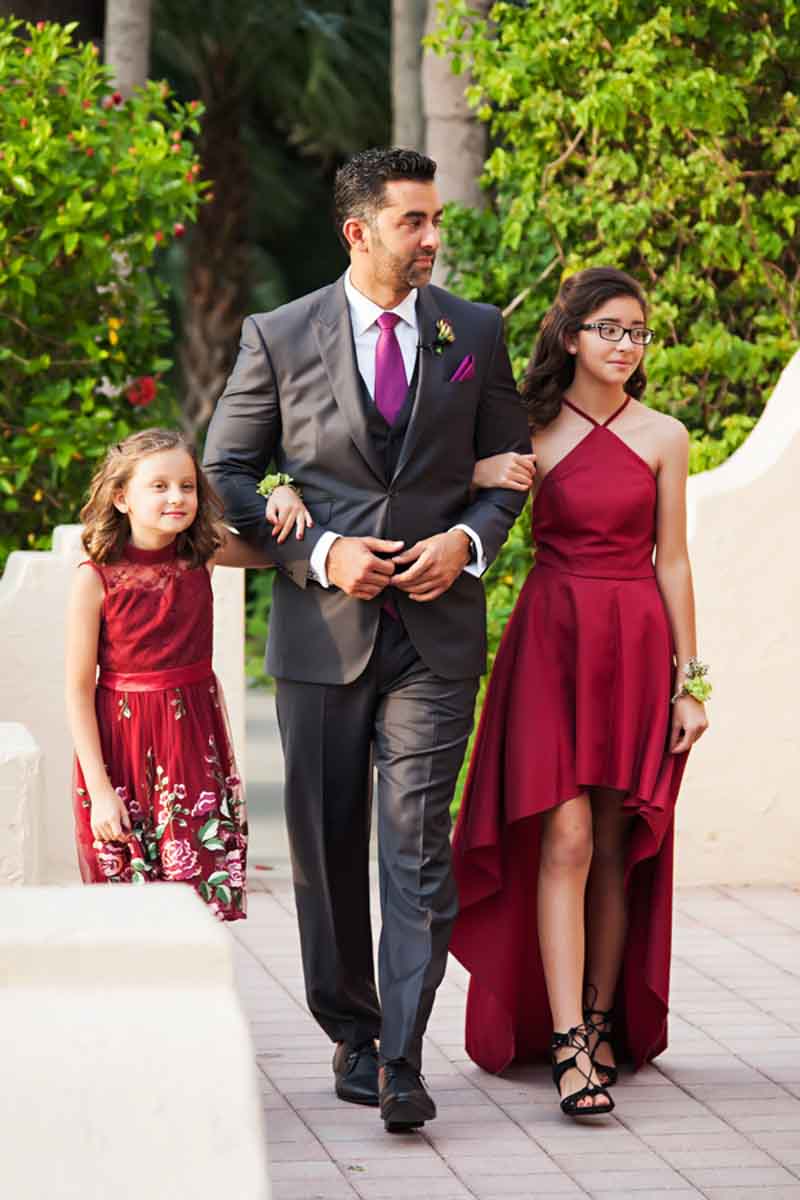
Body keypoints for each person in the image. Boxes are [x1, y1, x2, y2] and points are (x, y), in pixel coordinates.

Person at [202, 148, 531, 1131]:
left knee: (414, 846)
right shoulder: (279, 334)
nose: (433, 238)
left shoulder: (473, 332)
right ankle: (351, 1027)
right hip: (321, 634)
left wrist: (465, 543)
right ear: (359, 231)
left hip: (435, 635)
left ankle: (401, 1057)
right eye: (413, 222)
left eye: (435, 221)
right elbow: (226, 471)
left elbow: (505, 471)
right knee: (327, 844)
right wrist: (323, 552)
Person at [451, 267, 710, 1118]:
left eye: (637, 331)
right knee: (563, 836)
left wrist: (691, 684)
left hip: (634, 640)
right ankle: (567, 1044)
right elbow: (456, 496)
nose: (624, 345)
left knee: (610, 835)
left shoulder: (666, 435)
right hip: (551, 639)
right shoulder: (528, 428)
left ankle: (599, 1023)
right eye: (608, 328)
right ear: (570, 335)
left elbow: (672, 561)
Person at [65, 427, 309, 919]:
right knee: (127, 902)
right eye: (159, 486)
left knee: (194, 896)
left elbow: (280, 550)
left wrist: (282, 492)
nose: (177, 497)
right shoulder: (95, 580)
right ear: (121, 497)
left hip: (192, 742)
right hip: (122, 752)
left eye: (187, 486)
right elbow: (75, 690)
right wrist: (99, 790)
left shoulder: (204, 552)